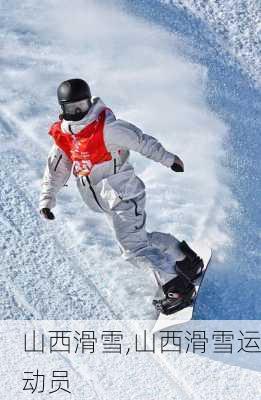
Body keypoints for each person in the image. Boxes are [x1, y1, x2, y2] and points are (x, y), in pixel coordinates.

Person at [39, 78, 203, 315]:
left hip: (124, 194)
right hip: (105, 201)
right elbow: (55, 170)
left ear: (89, 102)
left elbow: (141, 141)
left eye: (82, 106)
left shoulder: (106, 127)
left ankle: (176, 288)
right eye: (71, 108)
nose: (78, 112)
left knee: (133, 249)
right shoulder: (64, 137)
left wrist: (169, 159)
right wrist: (47, 199)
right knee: (138, 239)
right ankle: (185, 260)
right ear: (62, 108)